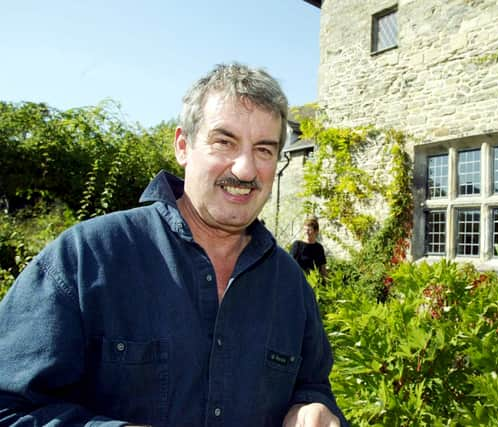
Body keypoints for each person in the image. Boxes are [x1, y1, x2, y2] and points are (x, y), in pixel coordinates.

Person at [0, 63, 346, 427]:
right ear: (183, 146)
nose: (245, 169)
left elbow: (313, 385)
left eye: (263, 150)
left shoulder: (289, 285)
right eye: (224, 142)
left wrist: (312, 408)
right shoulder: (86, 258)